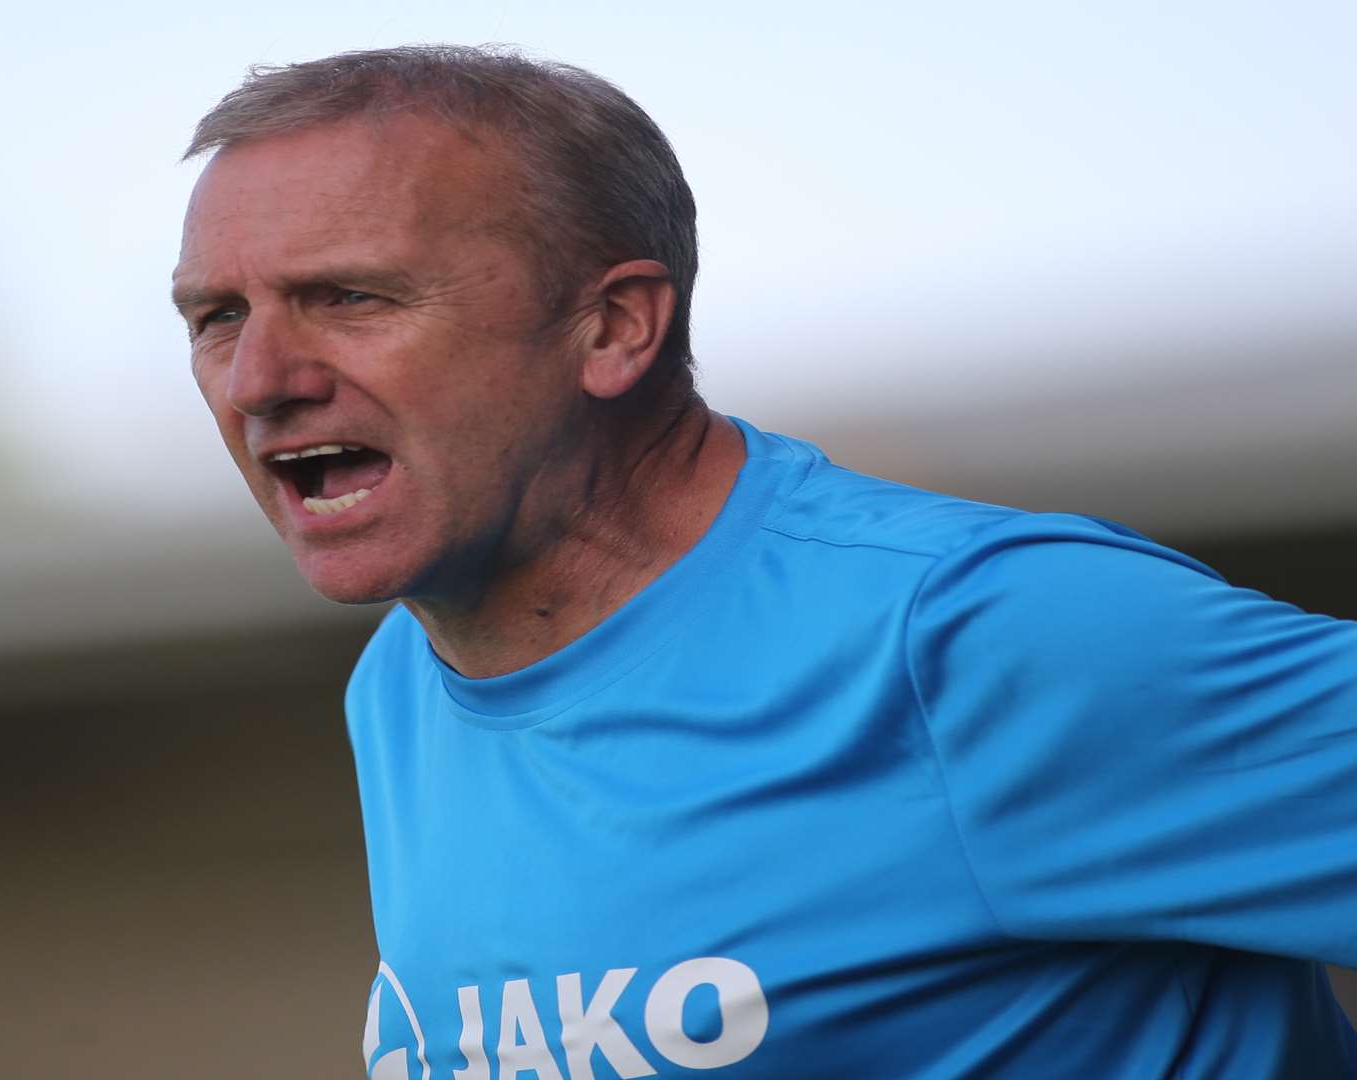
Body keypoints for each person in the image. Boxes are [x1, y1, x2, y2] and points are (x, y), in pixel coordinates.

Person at [173, 45, 1357, 1079]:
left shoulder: (969, 637)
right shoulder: (404, 679)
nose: (260, 379)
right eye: (217, 316)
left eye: (350, 296)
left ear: (615, 327)